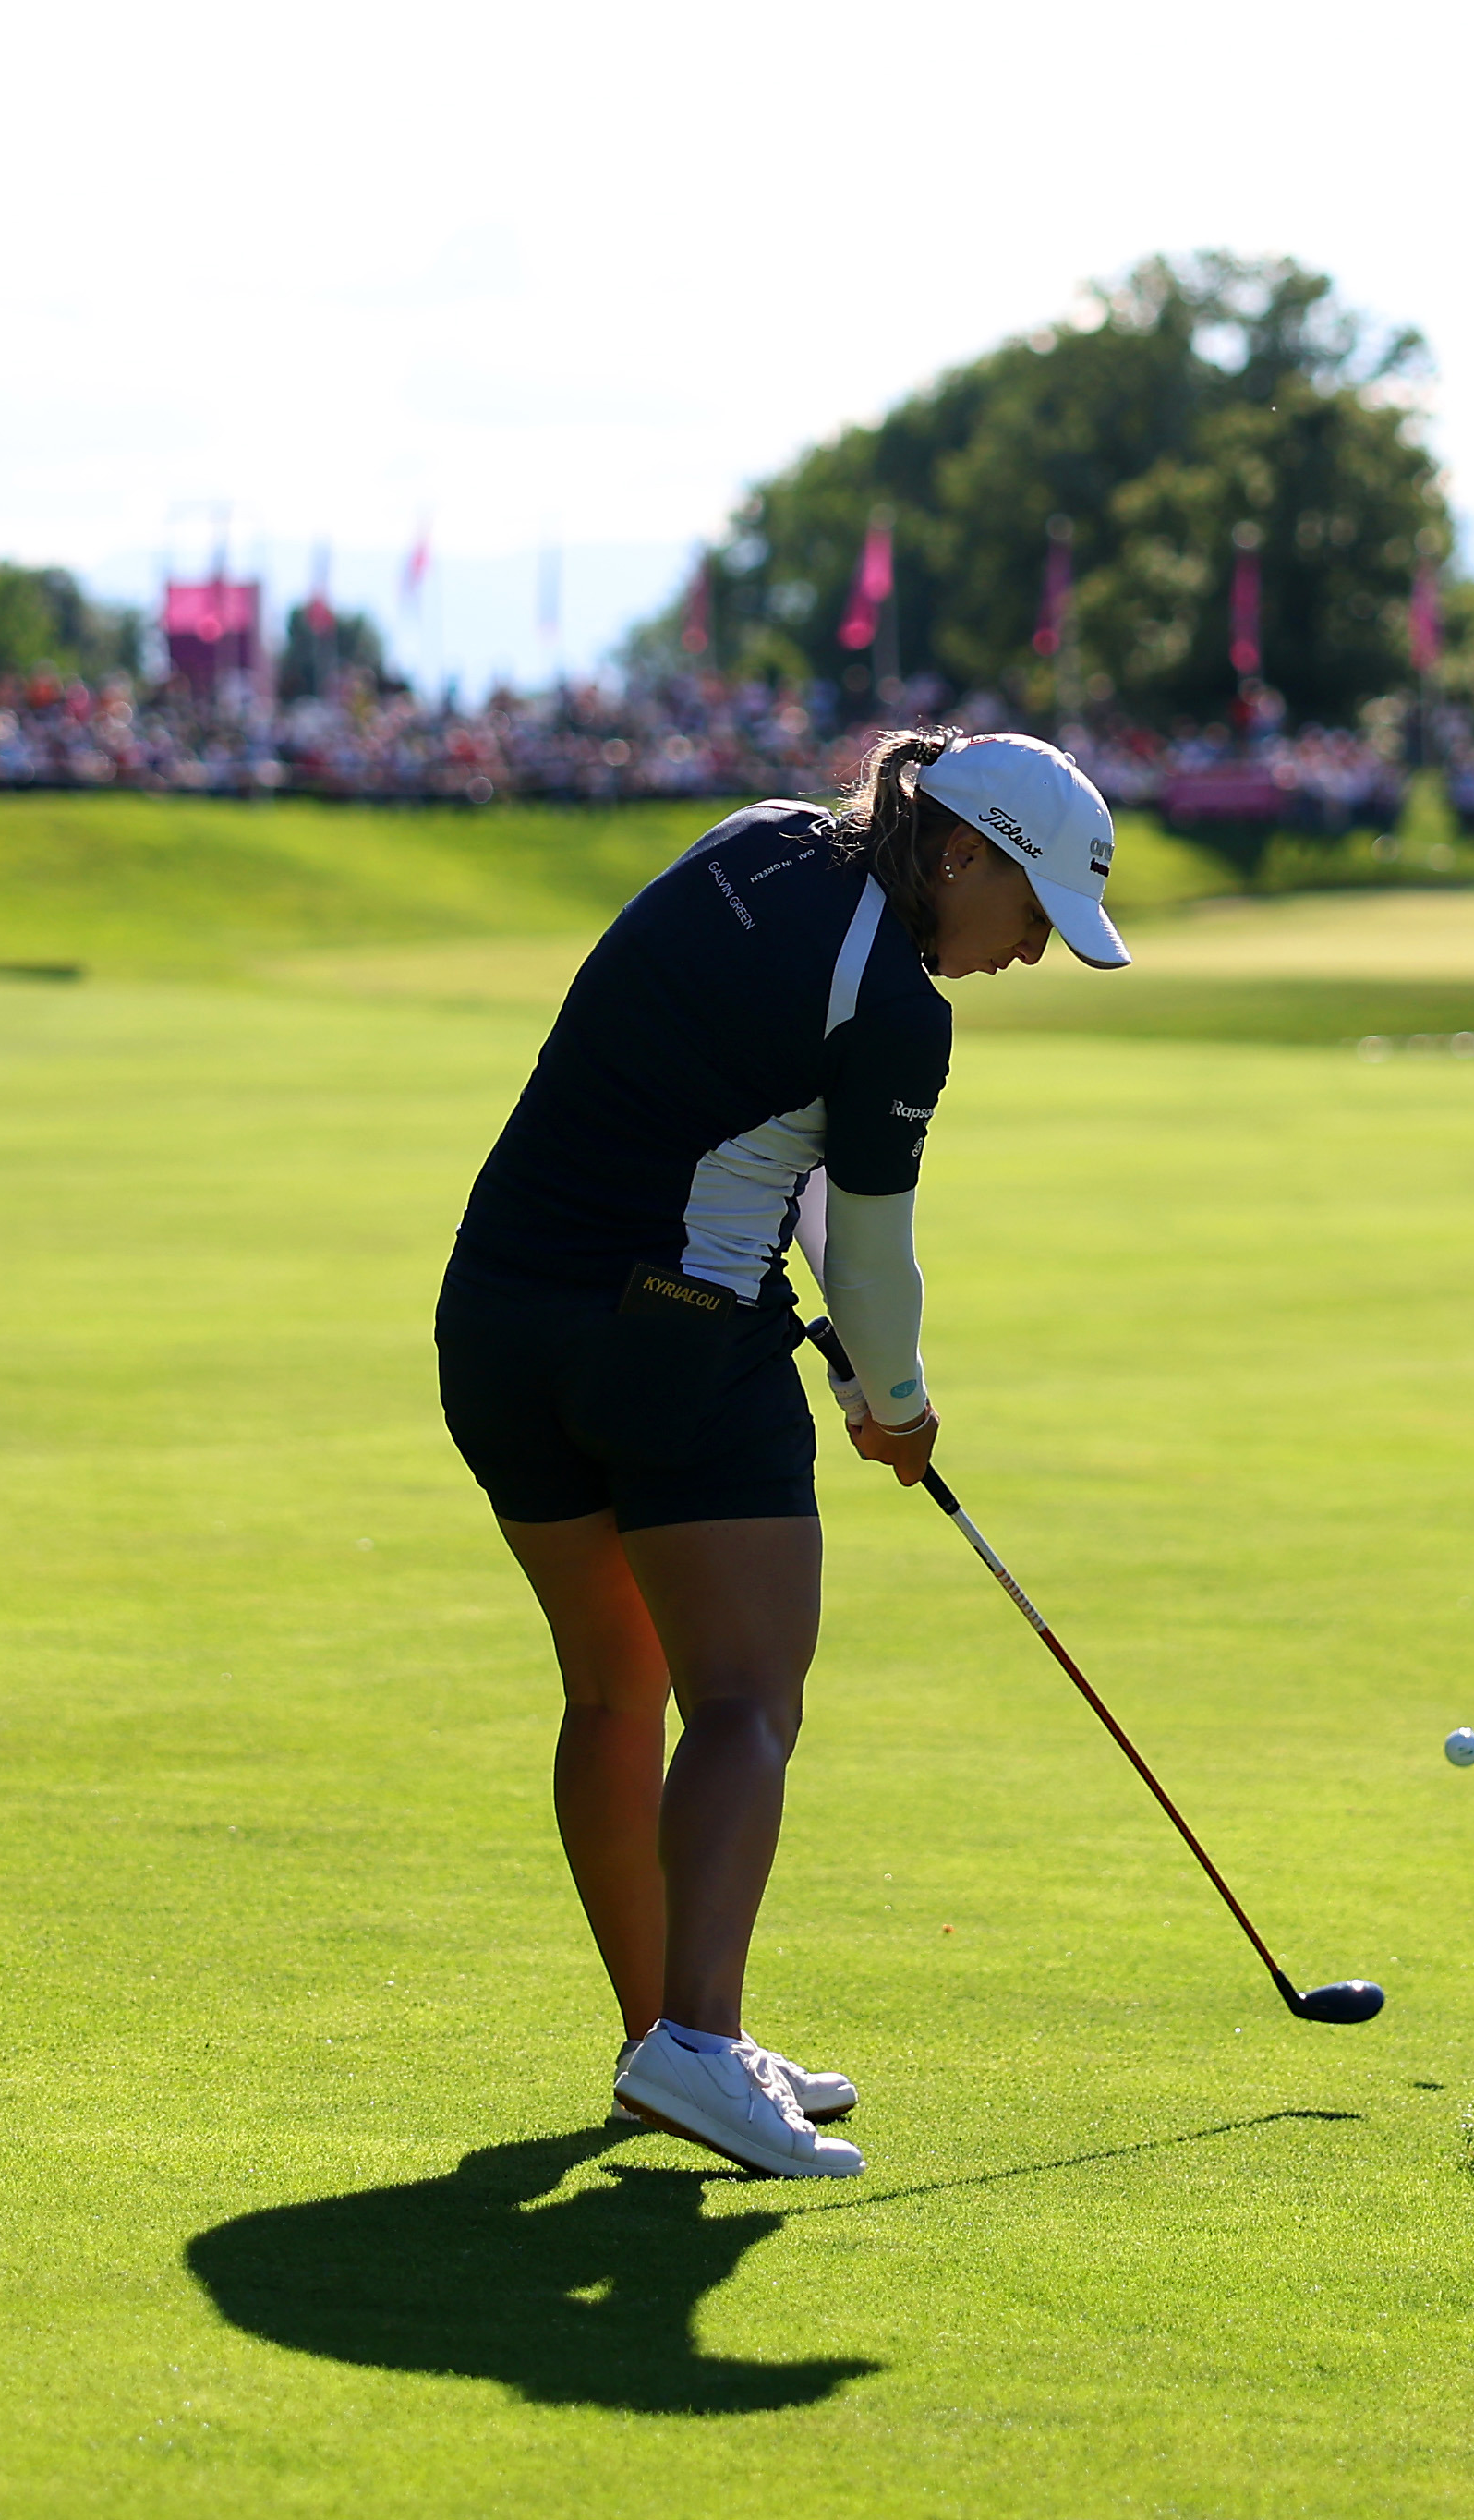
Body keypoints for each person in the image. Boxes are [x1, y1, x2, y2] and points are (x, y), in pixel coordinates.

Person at [433, 726, 1130, 2177]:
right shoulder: (896, 1008)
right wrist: (897, 1399)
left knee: (613, 1688)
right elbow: (866, 1254)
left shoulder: (750, 838)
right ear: (959, 853)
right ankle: (694, 2040)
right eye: (1033, 916)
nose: (1033, 956)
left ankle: (666, 2049)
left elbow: (752, 1130)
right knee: (743, 1699)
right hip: (672, 1341)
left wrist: (869, 1384)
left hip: (495, 1321)